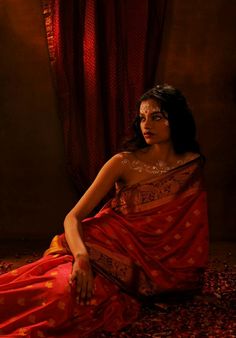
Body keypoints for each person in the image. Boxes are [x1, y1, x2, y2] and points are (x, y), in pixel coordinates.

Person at [0, 84, 209, 337]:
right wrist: (82, 258)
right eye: (142, 117)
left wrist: (156, 277)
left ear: (175, 120)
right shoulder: (123, 162)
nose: (146, 125)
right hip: (91, 247)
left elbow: (188, 233)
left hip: (131, 269)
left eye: (156, 117)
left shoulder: (190, 166)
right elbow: (73, 217)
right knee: (57, 288)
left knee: (68, 299)